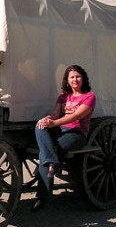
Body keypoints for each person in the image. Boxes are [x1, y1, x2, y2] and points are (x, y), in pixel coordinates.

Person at [31, 65, 96, 212]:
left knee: (45, 154)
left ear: (83, 78)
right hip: (60, 129)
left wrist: (54, 123)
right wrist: (48, 120)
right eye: (72, 77)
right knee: (39, 127)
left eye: (78, 76)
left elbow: (76, 116)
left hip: (76, 133)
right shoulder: (63, 96)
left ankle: (43, 197)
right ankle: (53, 162)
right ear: (67, 80)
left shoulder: (89, 96)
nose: (75, 80)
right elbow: (55, 113)